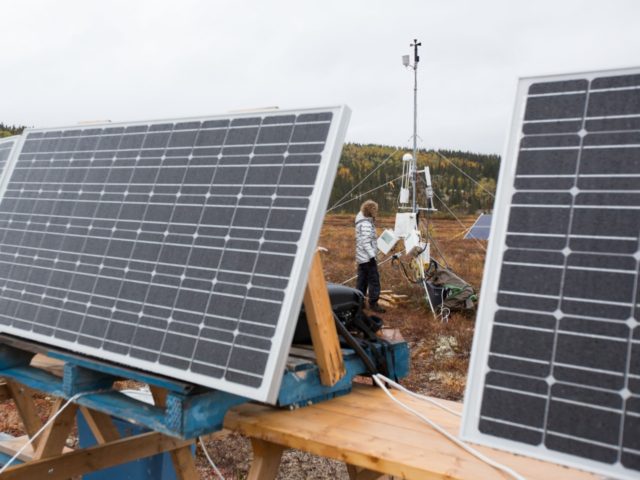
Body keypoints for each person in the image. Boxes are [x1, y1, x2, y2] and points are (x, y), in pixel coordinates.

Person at [355, 200, 385, 313]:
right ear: (371, 210)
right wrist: (372, 257)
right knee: (374, 281)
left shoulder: (362, 220)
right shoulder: (366, 224)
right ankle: (373, 303)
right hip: (367, 258)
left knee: (362, 280)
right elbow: (366, 242)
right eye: (375, 210)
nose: (376, 212)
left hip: (362, 258)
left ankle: (359, 302)